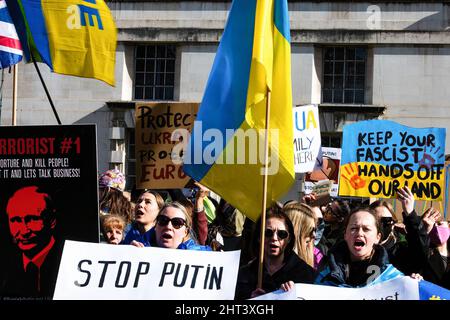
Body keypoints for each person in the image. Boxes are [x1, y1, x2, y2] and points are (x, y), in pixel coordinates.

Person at [235, 205, 315, 299]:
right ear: (259, 237)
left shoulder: (305, 274)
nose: (274, 238)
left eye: (282, 234)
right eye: (268, 233)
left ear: (289, 239)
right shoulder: (244, 274)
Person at [315, 207, 404, 287]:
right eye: (354, 228)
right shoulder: (325, 276)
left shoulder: (391, 277)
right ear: (345, 234)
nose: (359, 233)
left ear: (378, 237)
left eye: (366, 229)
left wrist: (415, 285)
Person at [1, 186, 63, 299]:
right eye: (15, 220)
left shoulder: (68, 258)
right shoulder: (6, 266)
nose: (24, 231)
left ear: (52, 221)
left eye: (33, 219)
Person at [397, 186, 450, 289]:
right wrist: (411, 214)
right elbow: (418, 244)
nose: (436, 227)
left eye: (439, 223)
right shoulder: (424, 254)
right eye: (433, 225)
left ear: (448, 225)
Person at [129, 201, 211, 250]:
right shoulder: (137, 249)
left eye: (177, 223)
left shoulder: (201, 258)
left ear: (186, 232)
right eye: (163, 220)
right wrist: (129, 253)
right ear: (155, 226)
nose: (168, 226)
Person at [369, 199, 413, 274]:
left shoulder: (401, 253)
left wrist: (411, 216)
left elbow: (420, 255)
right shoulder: (356, 250)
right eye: (375, 220)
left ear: (393, 224)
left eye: (386, 220)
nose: (380, 225)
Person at [98, 169, 133, 238]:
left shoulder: (102, 208)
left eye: (100, 189)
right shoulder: (128, 209)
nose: (98, 192)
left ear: (107, 190)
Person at [283, 202, 318, 269]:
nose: (314, 235)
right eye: (310, 230)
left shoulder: (318, 260)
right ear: (296, 231)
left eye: (315, 230)